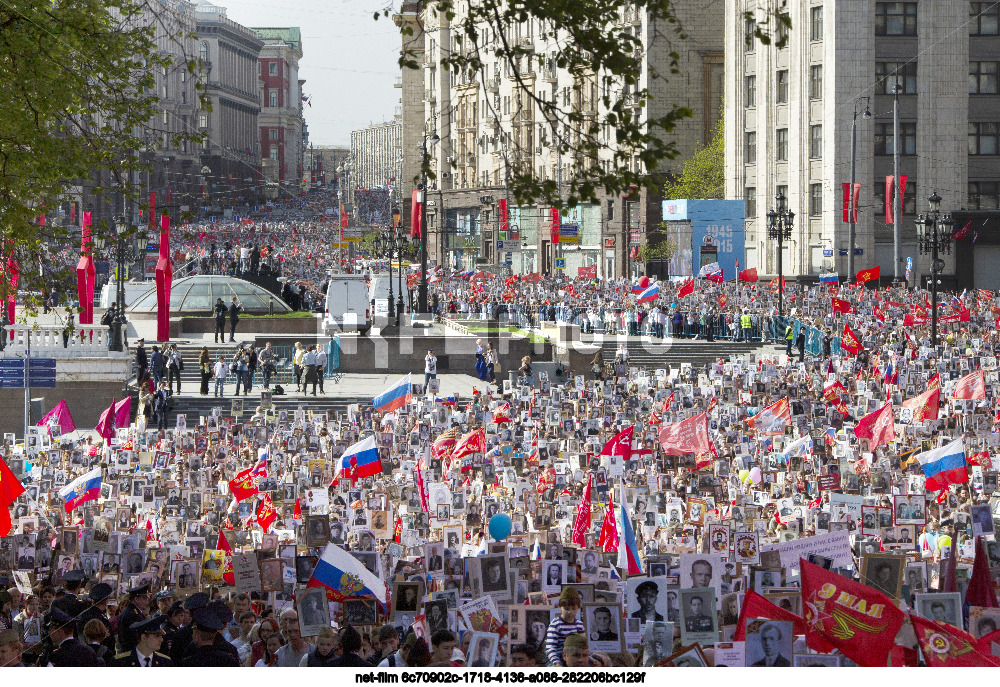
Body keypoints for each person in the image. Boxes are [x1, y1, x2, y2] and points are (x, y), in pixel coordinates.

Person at [544, 587, 584, 666]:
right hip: (557, 659)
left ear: (578, 608)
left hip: (575, 659)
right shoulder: (556, 624)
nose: (570, 612)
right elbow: (550, 648)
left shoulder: (579, 625)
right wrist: (557, 663)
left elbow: (583, 646)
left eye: (573, 608)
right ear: (560, 607)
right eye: (566, 608)